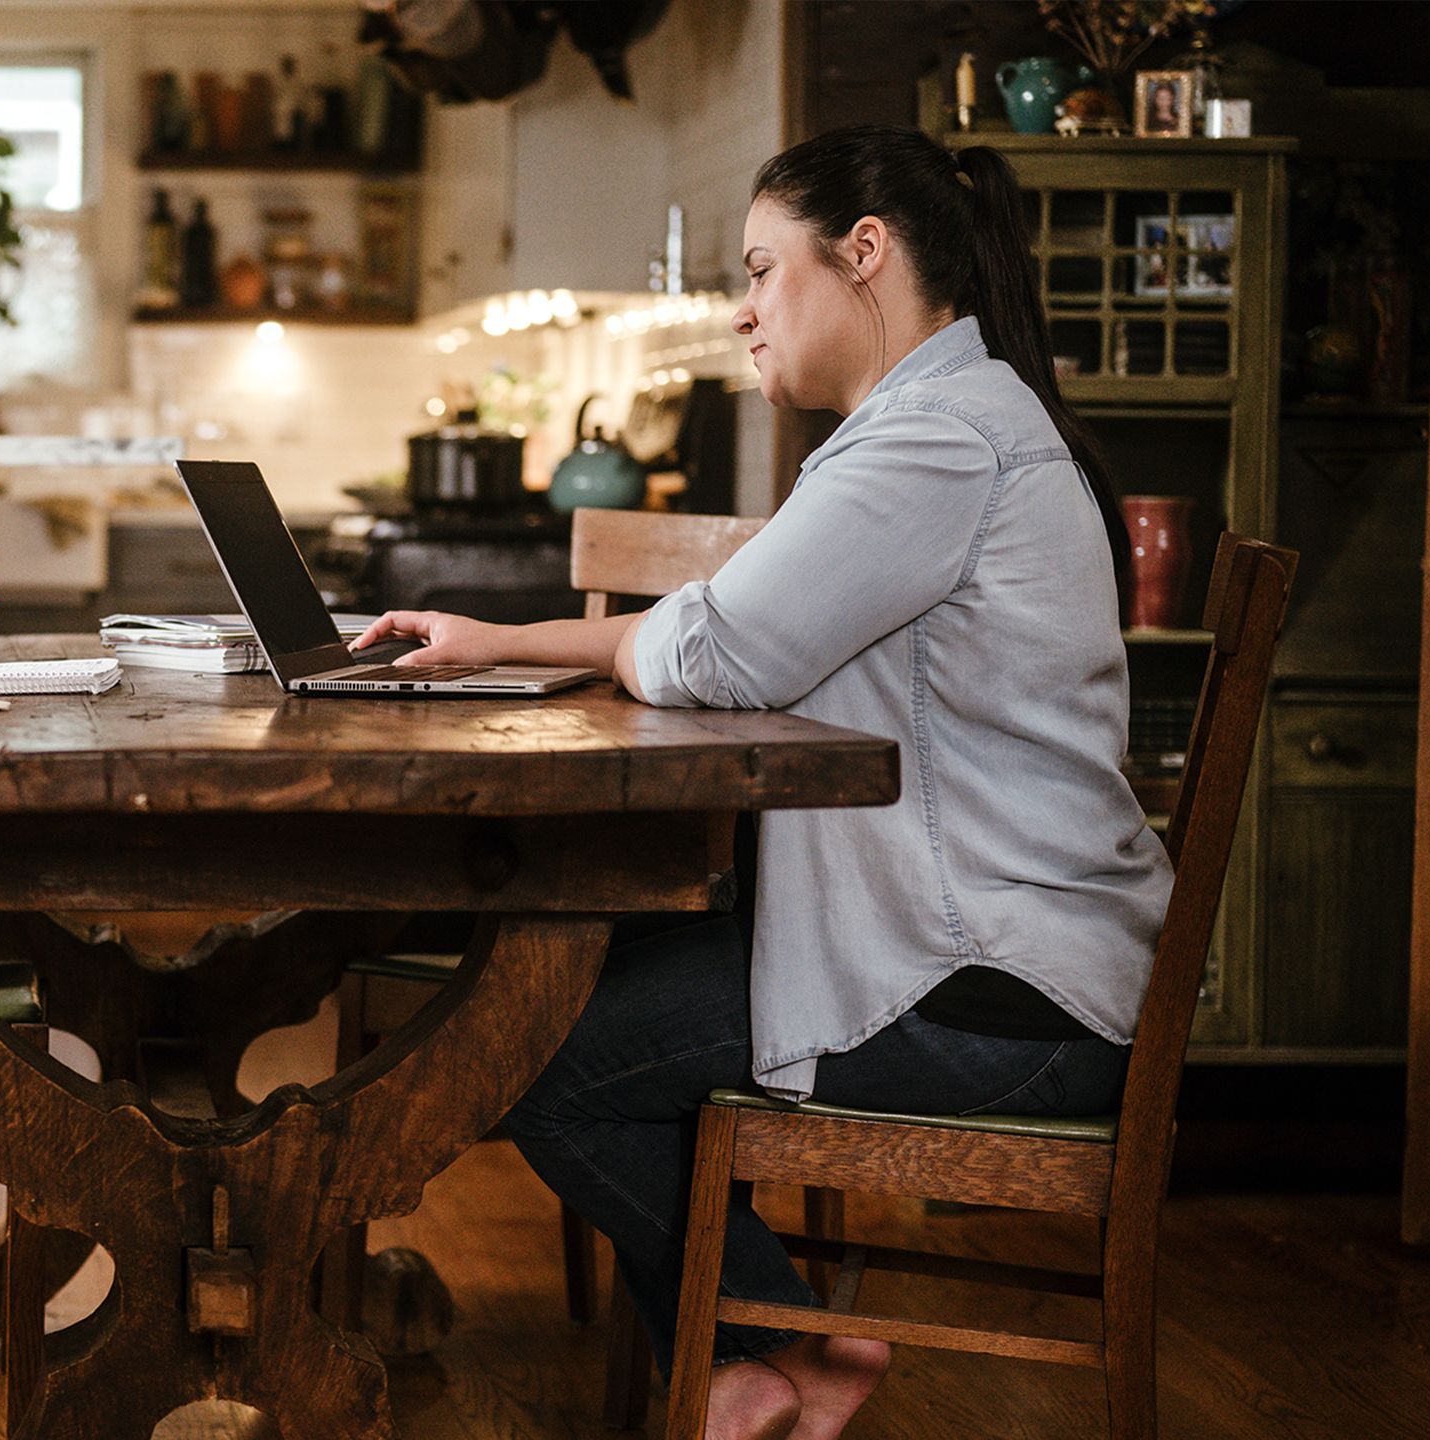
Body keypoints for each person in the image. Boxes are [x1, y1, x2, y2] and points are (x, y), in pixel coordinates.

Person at [354, 125, 1170, 1439]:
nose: (740, 311)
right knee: (574, 995)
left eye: (758, 269)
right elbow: (710, 623)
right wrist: (496, 638)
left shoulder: (935, 444)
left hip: (1002, 998)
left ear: (865, 255)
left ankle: (772, 1345)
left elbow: (717, 647)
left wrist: (649, 641)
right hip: (992, 957)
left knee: (531, 1046)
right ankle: (759, 1354)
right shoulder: (937, 422)